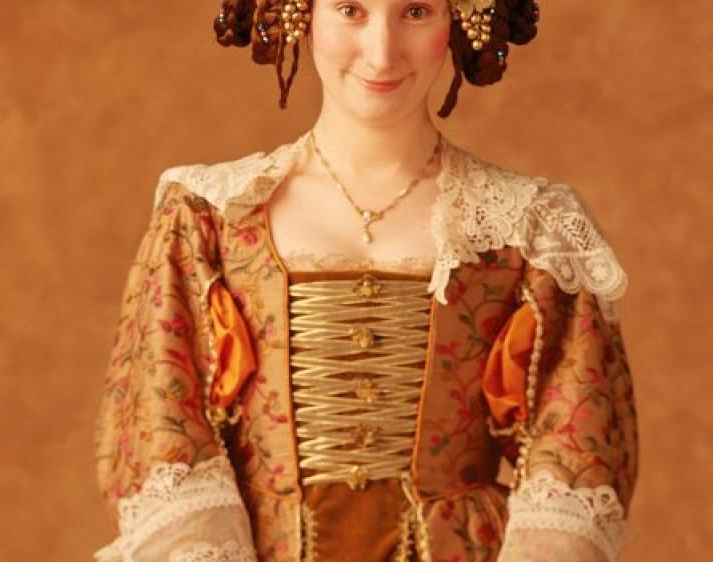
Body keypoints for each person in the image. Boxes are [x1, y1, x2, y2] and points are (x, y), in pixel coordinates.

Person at [93, 1, 639, 561]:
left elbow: (574, 449)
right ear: (301, 12)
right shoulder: (211, 216)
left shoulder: (529, 227)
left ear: (460, 18)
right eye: (351, 9)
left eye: (416, 11)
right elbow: (164, 430)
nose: (382, 53)